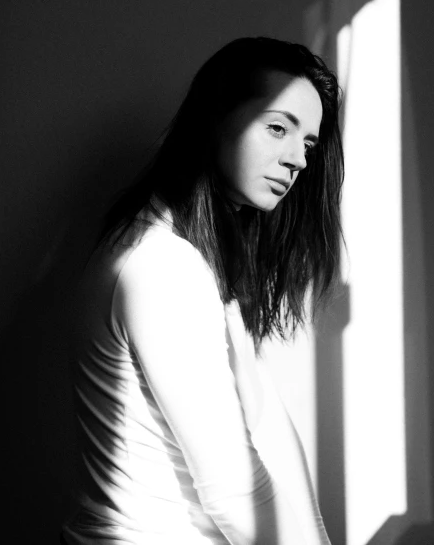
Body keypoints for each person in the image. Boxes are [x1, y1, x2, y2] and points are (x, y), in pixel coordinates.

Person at [61, 36, 344, 545]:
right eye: (277, 127)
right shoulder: (161, 265)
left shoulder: (198, 261)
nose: (298, 160)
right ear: (215, 119)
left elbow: (264, 419)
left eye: (307, 144)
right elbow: (235, 492)